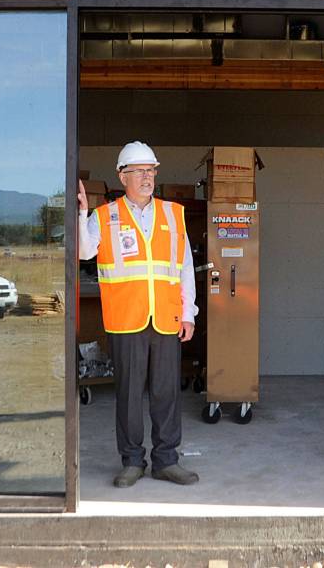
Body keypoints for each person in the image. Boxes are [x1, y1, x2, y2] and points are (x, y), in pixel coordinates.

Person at [78, 141, 199, 488]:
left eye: (151, 171)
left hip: (166, 317)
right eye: (139, 171)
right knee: (129, 395)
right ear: (123, 176)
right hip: (126, 318)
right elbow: (85, 252)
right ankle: (132, 461)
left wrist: (188, 313)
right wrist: (81, 214)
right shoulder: (105, 216)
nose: (147, 177)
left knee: (166, 393)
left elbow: (184, 268)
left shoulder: (172, 214)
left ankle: (166, 460)